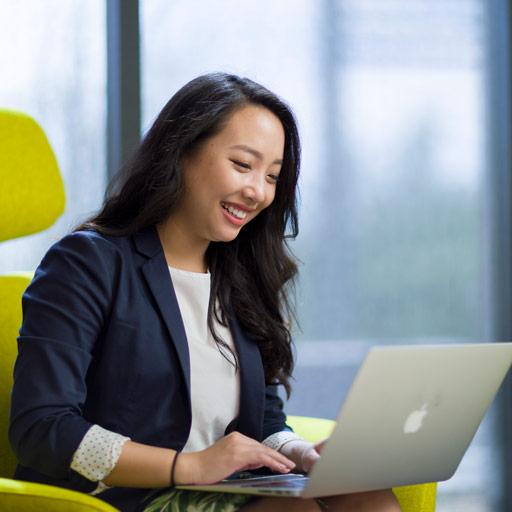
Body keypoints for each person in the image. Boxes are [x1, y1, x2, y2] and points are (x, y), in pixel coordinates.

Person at [9, 73, 401, 512]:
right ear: (181, 152)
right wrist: (189, 466)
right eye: (242, 165)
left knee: (371, 497)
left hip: (229, 488)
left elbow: (264, 419)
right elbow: (42, 427)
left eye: (272, 176)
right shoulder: (87, 263)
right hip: (126, 497)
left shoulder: (241, 275)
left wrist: (297, 452)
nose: (257, 191)